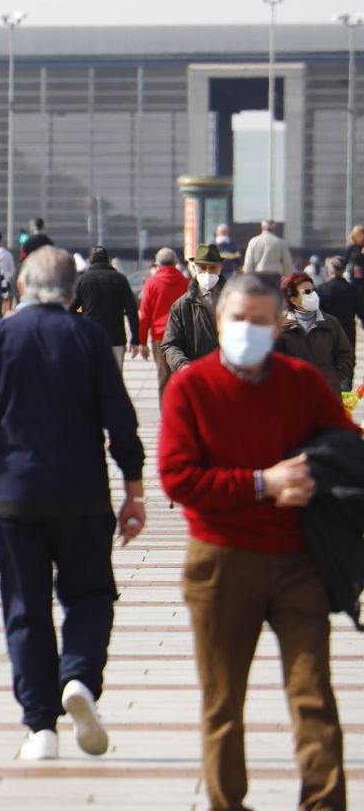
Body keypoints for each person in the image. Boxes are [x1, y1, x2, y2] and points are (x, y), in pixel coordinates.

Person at [158, 274, 355, 811]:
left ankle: (323, 802)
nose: (248, 330)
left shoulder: (302, 383)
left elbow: (345, 445)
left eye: (261, 322)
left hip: (298, 561)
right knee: (223, 703)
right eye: (237, 320)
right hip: (221, 561)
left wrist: (322, 474)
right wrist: (261, 482)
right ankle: (228, 802)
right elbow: (178, 477)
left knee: (313, 694)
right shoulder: (191, 387)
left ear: (278, 325)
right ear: (219, 321)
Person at [0, 246, 146, 762]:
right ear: (71, 293)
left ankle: (41, 726)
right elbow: (121, 422)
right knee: (89, 594)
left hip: (14, 497)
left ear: (19, 290)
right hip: (83, 495)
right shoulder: (87, 338)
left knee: (25, 605)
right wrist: (134, 489)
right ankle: (80, 677)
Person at [275, 271, 354, 394]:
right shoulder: (281, 327)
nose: (313, 295)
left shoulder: (331, 323)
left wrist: (334, 376)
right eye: (307, 292)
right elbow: (274, 362)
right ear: (294, 299)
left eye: (313, 290)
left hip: (327, 393)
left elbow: (345, 353)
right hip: (295, 395)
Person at [71, 246, 142, 368]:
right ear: (108, 260)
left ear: (89, 261)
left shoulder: (82, 280)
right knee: (115, 380)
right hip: (116, 338)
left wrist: (83, 316)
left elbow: (71, 309)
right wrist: (135, 339)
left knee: (92, 380)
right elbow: (131, 310)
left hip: (90, 337)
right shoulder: (120, 279)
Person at [162, 244, 225, 373]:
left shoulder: (234, 300)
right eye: (202, 268)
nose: (207, 273)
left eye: (212, 268)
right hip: (198, 372)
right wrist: (182, 364)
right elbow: (171, 344)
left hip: (228, 373)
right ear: (194, 268)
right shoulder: (182, 305)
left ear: (220, 268)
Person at [137, 248, 189, 394]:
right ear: (176, 262)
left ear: (157, 264)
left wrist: (142, 342)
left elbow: (145, 314)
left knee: (163, 377)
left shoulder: (151, 283)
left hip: (160, 336)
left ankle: (166, 414)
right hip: (181, 335)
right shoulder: (186, 283)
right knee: (180, 376)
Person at [316, 255, 360, 351]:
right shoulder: (352, 289)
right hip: (347, 330)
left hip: (327, 331)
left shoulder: (321, 289)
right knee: (347, 359)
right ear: (344, 270)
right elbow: (361, 310)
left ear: (330, 270)